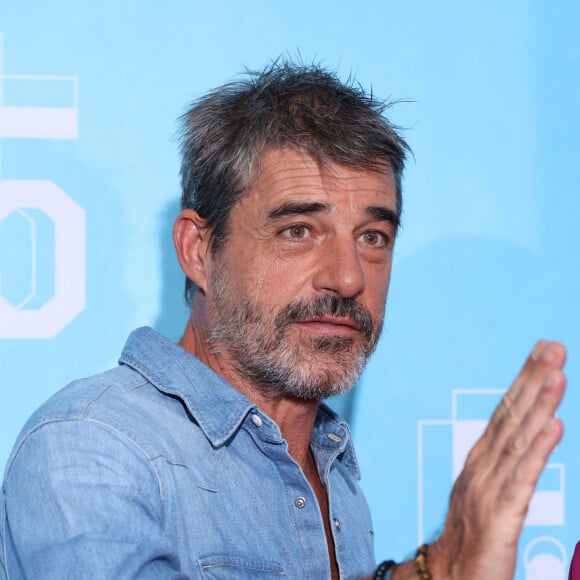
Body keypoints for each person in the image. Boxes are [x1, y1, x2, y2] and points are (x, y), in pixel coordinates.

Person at [0, 61, 567, 580]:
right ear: (199, 249)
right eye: (298, 230)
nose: (348, 278)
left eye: (373, 237)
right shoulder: (92, 447)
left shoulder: (331, 467)